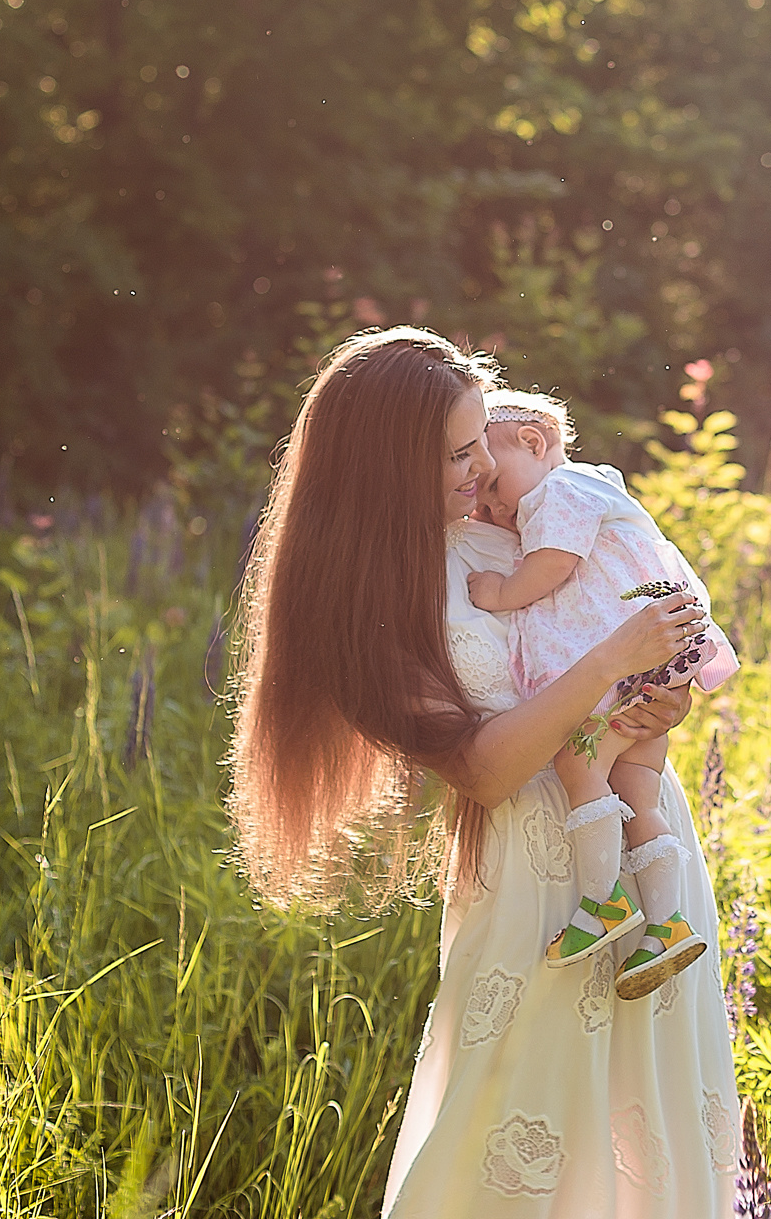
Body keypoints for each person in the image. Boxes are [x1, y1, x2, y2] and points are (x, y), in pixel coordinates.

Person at [225, 326, 742, 1216]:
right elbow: (485, 771)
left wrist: (660, 696)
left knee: (651, 1138)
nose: (482, 468)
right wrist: (610, 663)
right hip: (536, 886)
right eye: (458, 452)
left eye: (480, 444)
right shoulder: (370, 599)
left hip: (638, 838)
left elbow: (611, 623)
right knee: (514, 1146)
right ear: (388, 465)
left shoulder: (512, 526)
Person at [464, 389, 738, 999]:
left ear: (534, 444)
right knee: (639, 788)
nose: (490, 507)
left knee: (576, 761)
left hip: (626, 662)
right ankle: (666, 923)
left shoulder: (559, 492)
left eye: (493, 485)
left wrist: (504, 592)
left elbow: (556, 565)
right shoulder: (594, 490)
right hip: (655, 660)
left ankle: (603, 901)